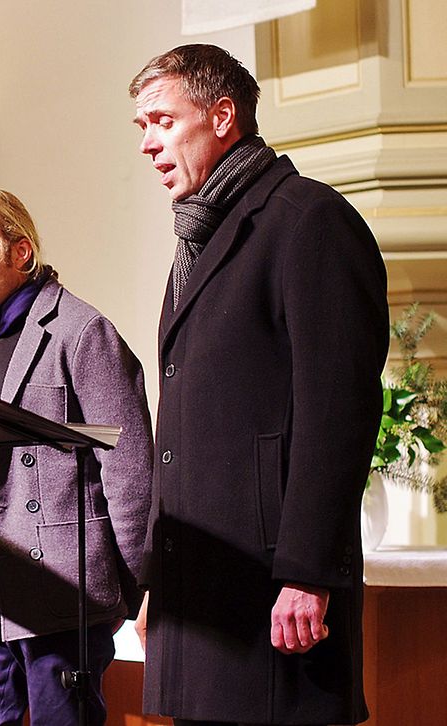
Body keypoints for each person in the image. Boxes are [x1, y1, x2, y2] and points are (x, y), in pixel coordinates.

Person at [129, 45, 389, 726]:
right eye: (141, 128)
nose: (149, 143)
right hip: (202, 592)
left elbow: (341, 412)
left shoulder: (308, 221)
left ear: (222, 116)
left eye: (161, 120)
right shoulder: (198, 240)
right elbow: (183, 431)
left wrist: (308, 571)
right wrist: (163, 579)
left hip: (273, 589)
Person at [0, 188, 153, 725]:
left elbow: (129, 472)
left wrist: (138, 588)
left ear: (20, 253)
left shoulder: (81, 332)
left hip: (58, 591)